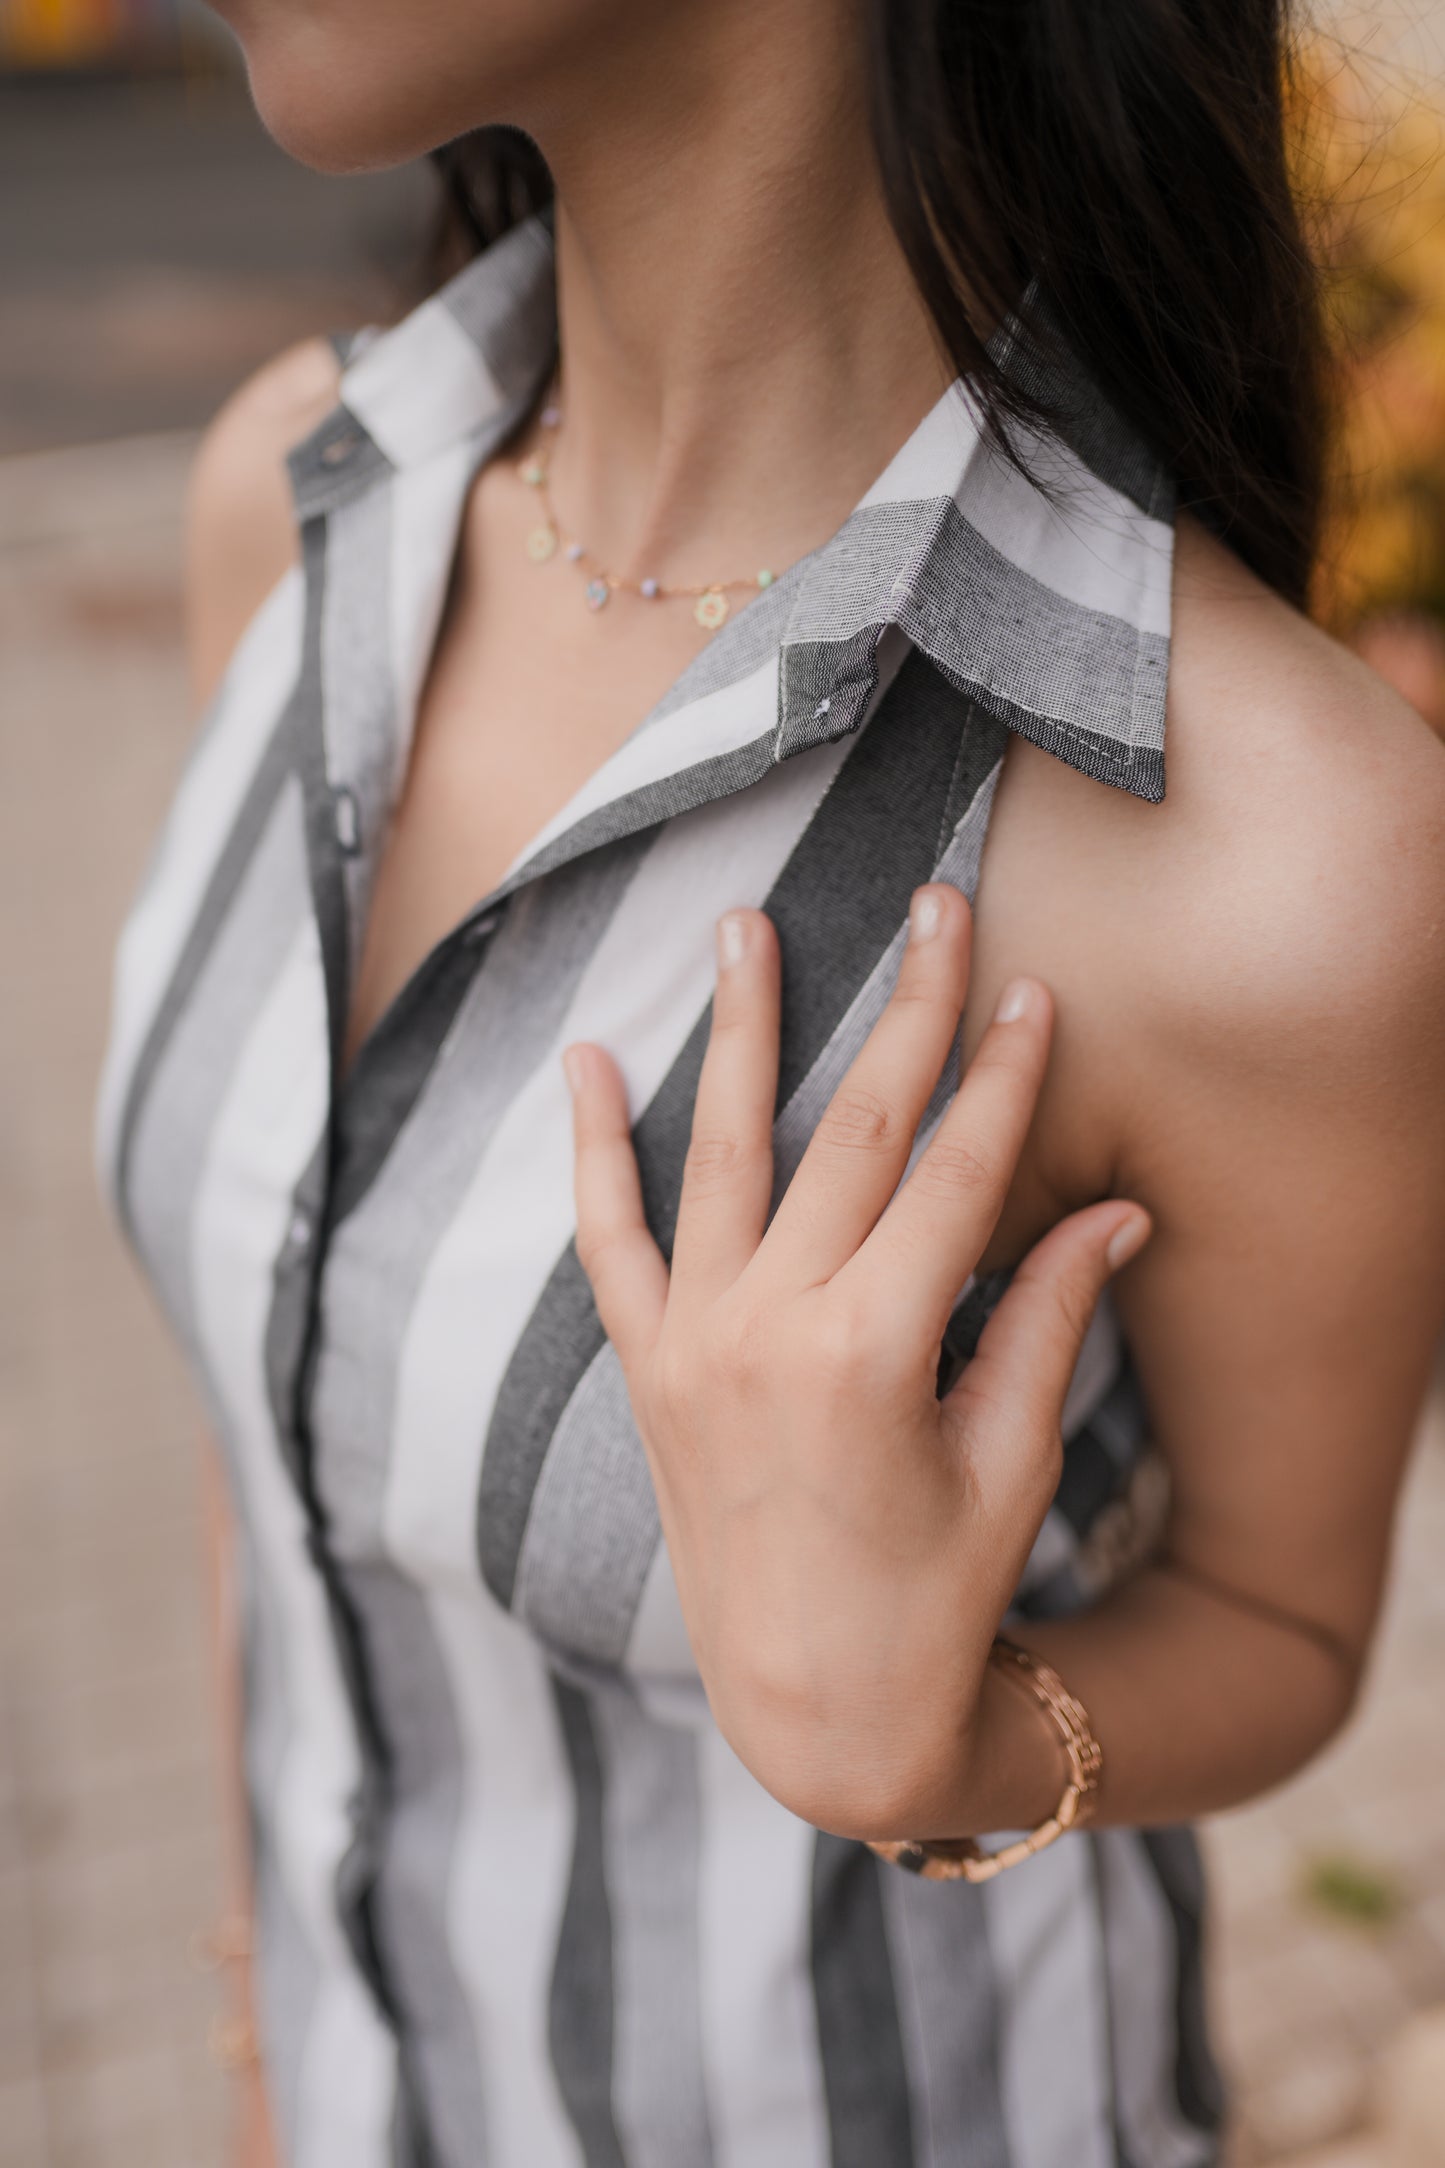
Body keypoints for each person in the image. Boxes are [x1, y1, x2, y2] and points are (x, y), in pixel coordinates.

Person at [95, 1, 1445, 2163]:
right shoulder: (300, 499)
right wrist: (269, 2050)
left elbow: (1284, 1624)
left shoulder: (1271, 858)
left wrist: (950, 1743)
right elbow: (270, 1455)